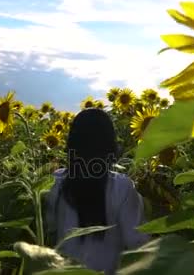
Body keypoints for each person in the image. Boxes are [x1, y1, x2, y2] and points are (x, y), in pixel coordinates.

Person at [44, 108, 150, 274]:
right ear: (109, 145)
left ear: (72, 144)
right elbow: (139, 245)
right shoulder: (121, 187)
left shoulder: (57, 182)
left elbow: (51, 227)